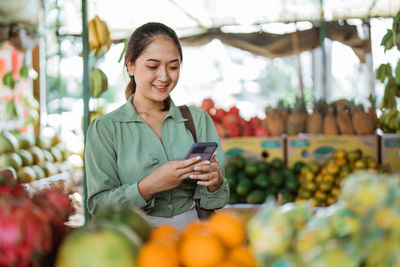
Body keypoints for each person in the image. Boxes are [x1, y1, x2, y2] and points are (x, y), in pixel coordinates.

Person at [85, 22, 229, 229]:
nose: (164, 76)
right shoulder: (105, 129)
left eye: (173, 67)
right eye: (153, 66)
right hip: (133, 238)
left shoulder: (197, 121)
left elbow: (215, 201)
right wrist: (148, 186)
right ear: (131, 66)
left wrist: (215, 183)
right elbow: (99, 207)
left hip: (193, 239)